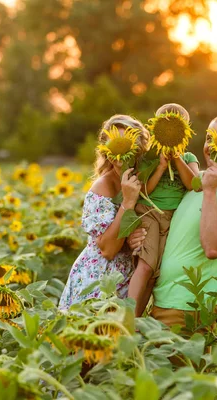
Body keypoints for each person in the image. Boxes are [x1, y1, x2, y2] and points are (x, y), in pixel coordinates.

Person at [128, 114, 217, 328]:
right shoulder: (194, 181)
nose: (212, 146)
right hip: (162, 302)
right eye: (209, 139)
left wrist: (210, 191)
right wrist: (138, 235)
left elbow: (213, 248)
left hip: (190, 309)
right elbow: (165, 222)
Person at [58, 115, 147, 311]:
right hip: (97, 283)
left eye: (127, 145)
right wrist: (128, 202)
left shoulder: (147, 179)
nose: (120, 154)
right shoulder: (102, 187)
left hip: (127, 282)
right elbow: (107, 249)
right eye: (114, 146)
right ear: (107, 151)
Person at [127, 103, 200, 317]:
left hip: (173, 220)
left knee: (155, 273)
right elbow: (145, 191)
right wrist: (159, 167)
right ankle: (127, 316)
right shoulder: (148, 157)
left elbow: (194, 184)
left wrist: (177, 158)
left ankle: (137, 318)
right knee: (146, 266)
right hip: (149, 212)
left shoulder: (188, 158)